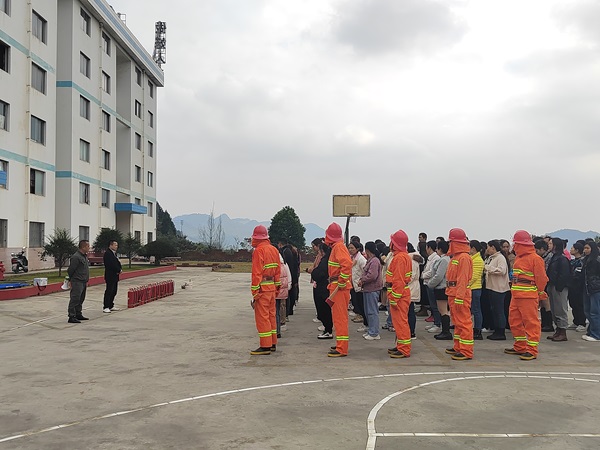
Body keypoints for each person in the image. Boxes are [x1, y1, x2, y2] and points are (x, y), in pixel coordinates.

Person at [505, 230, 549, 360]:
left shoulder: (535, 259)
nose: (514, 246)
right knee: (514, 321)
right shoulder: (519, 258)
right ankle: (520, 346)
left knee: (531, 323)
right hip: (516, 295)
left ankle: (532, 350)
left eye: (515, 243)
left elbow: (541, 278)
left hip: (528, 296)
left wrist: (540, 293)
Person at [249, 225, 281, 355]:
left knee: (263, 318)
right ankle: (272, 343)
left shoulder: (259, 251)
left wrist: (255, 292)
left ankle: (265, 346)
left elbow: (256, 273)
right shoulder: (274, 250)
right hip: (272, 288)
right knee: (271, 316)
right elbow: (278, 270)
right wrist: (277, 287)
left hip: (263, 289)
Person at [444, 228, 474, 361]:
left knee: (464, 322)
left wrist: (460, 297)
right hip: (453, 293)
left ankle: (466, 350)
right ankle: (458, 347)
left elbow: (463, 279)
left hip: (459, 294)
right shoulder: (456, 257)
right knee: (457, 322)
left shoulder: (464, 258)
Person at [325, 223, 352, 357]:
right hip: (336, 286)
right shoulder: (337, 247)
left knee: (340, 318)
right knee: (338, 318)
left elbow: (346, 264)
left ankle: (342, 348)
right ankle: (340, 344)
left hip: (339, 288)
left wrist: (341, 281)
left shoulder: (339, 247)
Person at [386, 230, 413, 359]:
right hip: (401, 293)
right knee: (399, 322)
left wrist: (394, 297)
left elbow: (398, 280)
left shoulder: (400, 258)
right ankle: (401, 345)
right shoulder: (403, 256)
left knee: (401, 322)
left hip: (399, 295)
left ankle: (404, 349)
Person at [484, 240, 510, 340]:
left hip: (499, 288)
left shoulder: (500, 258)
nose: (487, 249)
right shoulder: (491, 258)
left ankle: (501, 331)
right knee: (494, 310)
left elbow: (502, 270)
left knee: (499, 310)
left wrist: (488, 268)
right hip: (492, 287)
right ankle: (496, 330)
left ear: (493, 247)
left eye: (488, 247)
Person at [546, 237, 571, 342]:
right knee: (554, 309)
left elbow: (564, 274)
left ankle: (563, 331)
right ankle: (558, 330)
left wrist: (559, 287)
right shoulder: (553, 257)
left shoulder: (562, 258)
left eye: (550, 244)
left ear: (555, 245)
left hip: (558, 287)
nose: (549, 245)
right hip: (552, 285)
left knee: (560, 309)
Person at [359, 241, 383, 340]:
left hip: (372, 289)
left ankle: (374, 333)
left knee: (372, 311)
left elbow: (372, 275)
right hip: (368, 289)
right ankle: (371, 330)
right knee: (368, 311)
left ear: (367, 250)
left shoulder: (374, 261)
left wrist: (362, 280)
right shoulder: (371, 260)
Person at [427, 240, 451, 339]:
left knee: (443, 310)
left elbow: (439, 275)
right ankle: (445, 331)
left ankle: (446, 331)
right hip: (442, 287)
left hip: (441, 287)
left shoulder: (444, 260)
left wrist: (430, 283)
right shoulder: (445, 259)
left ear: (440, 249)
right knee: (444, 310)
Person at [312, 243, 334, 339]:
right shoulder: (328, 259)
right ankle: (327, 329)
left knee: (324, 309)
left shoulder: (325, 260)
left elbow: (318, 273)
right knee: (325, 309)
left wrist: (313, 272)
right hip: (324, 286)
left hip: (323, 288)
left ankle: (328, 330)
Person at [67, 240, 91, 323]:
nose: (89, 248)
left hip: (83, 281)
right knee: (75, 298)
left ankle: (78, 313)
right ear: (83, 247)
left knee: (81, 299)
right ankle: (71, 316)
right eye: (88, 246)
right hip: (77, 281)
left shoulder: (84, 256)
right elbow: (71, 270)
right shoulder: (76, 257)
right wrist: (70, 279)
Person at [535, 239, 554, 332]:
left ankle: (548, 324)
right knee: (543, 303)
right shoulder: (544, 257)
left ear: (542, 249)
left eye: (537, 250)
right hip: (543, 283)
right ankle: (544, 323)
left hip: (546, 282)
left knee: (547, 304)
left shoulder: (549, 257)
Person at [582, 242, 600, 342]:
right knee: (587, 311)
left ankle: (596, 334)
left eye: (587, 248)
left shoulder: (597, 260)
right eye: (585, 248)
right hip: (587, 288)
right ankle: (590, 331)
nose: (585, 250)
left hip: (596, 289)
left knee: (595, 312)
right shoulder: (585, 260)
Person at [567, 242, 587, 332]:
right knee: (573, 304)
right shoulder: (572, 261)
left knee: (579, 304)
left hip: (579, 286)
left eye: (572, 248)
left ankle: (581, 323)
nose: (570, 249)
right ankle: (576, 321)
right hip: (572, 286)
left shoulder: (581, 261)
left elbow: (579, 274)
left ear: (577, 250)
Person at [422, 241, 441, 332]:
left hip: (432, 283)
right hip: (427, 283)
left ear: (429, 248)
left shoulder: (436, 258)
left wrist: (423, 276)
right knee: (432, 305)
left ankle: (437, 323)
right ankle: (435, 322)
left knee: (435, 305)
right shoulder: (430, 258)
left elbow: (432, 272)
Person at [278, 238, 299, 319]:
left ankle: (286, 313)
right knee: (290, 294)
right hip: (292, 275)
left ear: (280, 244)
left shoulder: (285, 252)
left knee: (286, 297)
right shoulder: (291, 251)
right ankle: (289, 310)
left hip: (287, 276)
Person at [348, 241, 367, 328]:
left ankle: (364, 320)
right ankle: (360, 316)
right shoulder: (352, 258)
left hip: (359, 285)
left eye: (352, 248)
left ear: (357, 249)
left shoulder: (361, 259)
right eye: (349, 248)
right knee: (356, 302)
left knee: (361, 304)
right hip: (353, 284)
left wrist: (362, 281)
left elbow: (365, 271)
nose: (350, 250)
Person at [469, 240, 484, 340]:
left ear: (473, 248)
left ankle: (478, 330)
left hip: (475, 288)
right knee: (473, 310)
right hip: (472, 288)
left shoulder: (478, 260)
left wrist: (465, 284)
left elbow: (473, 276)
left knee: (476, 310)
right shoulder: (472, 258)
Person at [407, 243, 422, 339]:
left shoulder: (411, 260)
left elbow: (411, 276)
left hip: (410, 287)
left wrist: (403, 282)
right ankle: (410, 330)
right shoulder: (415, 259)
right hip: (413, 287)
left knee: (410, 311)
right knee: (410, 310)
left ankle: (411, 331)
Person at [102, 240, 122, 313]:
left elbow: (117, 262)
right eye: (115, 245)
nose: (116, 247)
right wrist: (118, 269)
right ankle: (106, 306)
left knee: (114, 291)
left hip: (115, 275)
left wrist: (119, 269)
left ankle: (111, 305)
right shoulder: (108, 254)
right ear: (111, 245)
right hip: (110, 275)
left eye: (117, 245)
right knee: (109, 291)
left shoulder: (114, 254)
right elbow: (110, 264)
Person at [275, 251, 292, 338]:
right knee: (279, 309)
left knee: (275, 311)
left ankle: (276, 329)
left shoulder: (274, 265)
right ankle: (279, 328)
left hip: (275, 291)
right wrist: (288, 286)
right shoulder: (284, 264)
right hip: (282, 291)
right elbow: (289, 276)